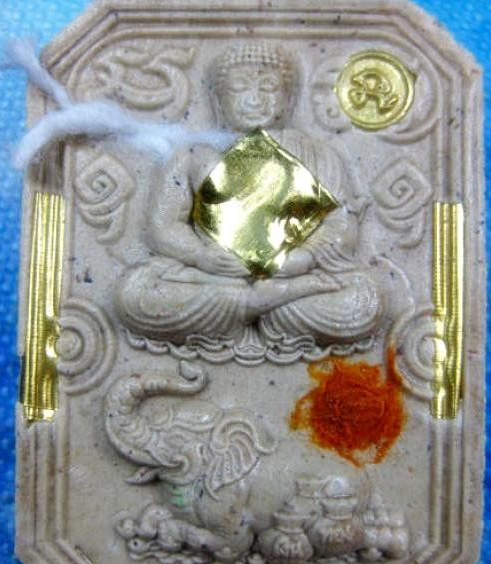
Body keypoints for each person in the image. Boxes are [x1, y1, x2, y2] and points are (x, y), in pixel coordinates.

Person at [115, 43, 382, 347]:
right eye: (240, 87)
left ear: (289, 98)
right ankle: (261, 301)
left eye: (268, 88)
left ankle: (257, 302)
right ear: (217, 99)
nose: (254, 99)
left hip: (292, 275)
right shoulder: (193, 154)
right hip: (215, 276)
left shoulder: (318, 154)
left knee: (364, 301)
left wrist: (303, 259)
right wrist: (202, 257)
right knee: (136, 293)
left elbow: (341, 224)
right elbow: (163, 227)